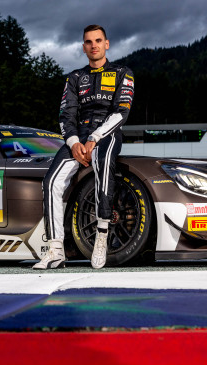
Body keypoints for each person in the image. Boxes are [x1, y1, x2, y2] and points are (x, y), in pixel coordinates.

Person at [33, 24, 134, 270]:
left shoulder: (123, 73)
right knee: (51, 182)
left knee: (103, 162)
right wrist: (74, 142)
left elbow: (122, 112)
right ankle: (55, 250)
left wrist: (95, 138)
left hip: (107, 134)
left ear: (106, 44)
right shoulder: (75, 78)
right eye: (89, 42)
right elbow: (66, 116)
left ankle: (101, 236)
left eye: (98, 40)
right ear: (83, 47)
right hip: (78, 137)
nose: (94, 45)